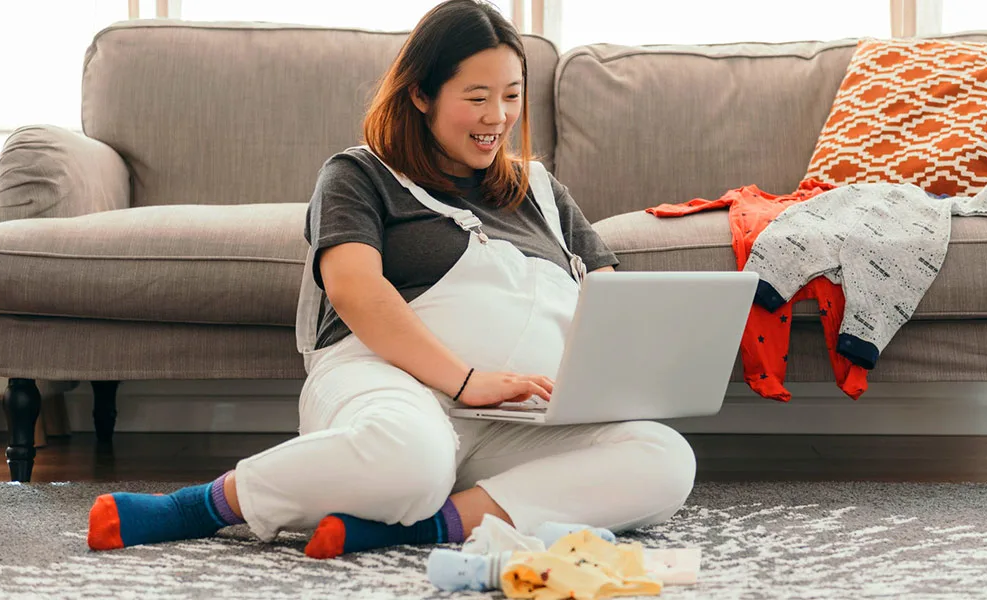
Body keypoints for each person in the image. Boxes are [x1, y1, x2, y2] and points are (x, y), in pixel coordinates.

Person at [86, 0, 696, 557]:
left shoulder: (541, 191)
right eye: (477, 96)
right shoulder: (358, 175)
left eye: (512, 96)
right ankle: (197, 507)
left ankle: (428, 527)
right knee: (410, 461)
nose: (498, 116)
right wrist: (465, 380)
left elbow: (612, 296)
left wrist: (622, 380)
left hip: (519, 417)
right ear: (421, 95)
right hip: (387, 388)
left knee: (664, 457)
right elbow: (356, 291)